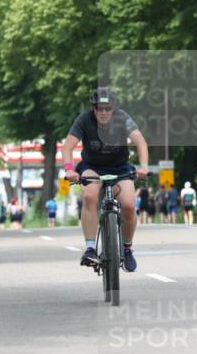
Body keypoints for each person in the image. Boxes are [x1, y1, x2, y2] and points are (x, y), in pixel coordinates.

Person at [62, 86, 149, 272]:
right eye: (99, 109)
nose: (103, 112)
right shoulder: (84, 120)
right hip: (92, 167)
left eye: (107, 108)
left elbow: (140, 141)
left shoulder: (122, 118)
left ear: (113, 108)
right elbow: (67, 147)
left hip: (120, 167)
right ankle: (91, 248)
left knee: (128, 204)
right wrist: (70, 170)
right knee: (89, 196)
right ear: (93, 108)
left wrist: (144, 167)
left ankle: (127, 248)